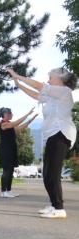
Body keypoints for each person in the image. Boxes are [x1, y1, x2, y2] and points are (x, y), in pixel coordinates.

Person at [7, 67, 77, 218]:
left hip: (61, 134)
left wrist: (17, 75)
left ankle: (59, 209)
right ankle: (54, 204)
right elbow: (36, 94)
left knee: (53, 173)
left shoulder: (64, 92)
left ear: (59, 79)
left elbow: (39, 86)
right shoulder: (53, 96)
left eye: (51, 77)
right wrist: (18, 83)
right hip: (53, 135)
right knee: (46, 174)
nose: (48, 80)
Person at [0, 107, 37, 198]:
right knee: (6, 170)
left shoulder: (10, 126)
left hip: (11, 150)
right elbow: (16, 123)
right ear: (5, 115)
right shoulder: (3, 124)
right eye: (9, 113)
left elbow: (20, 127)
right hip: (5, 150)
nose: (11, 115)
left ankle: (8, 190)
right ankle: (3, 192)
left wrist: (31, 120)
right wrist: (27, 114)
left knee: (11, 171)